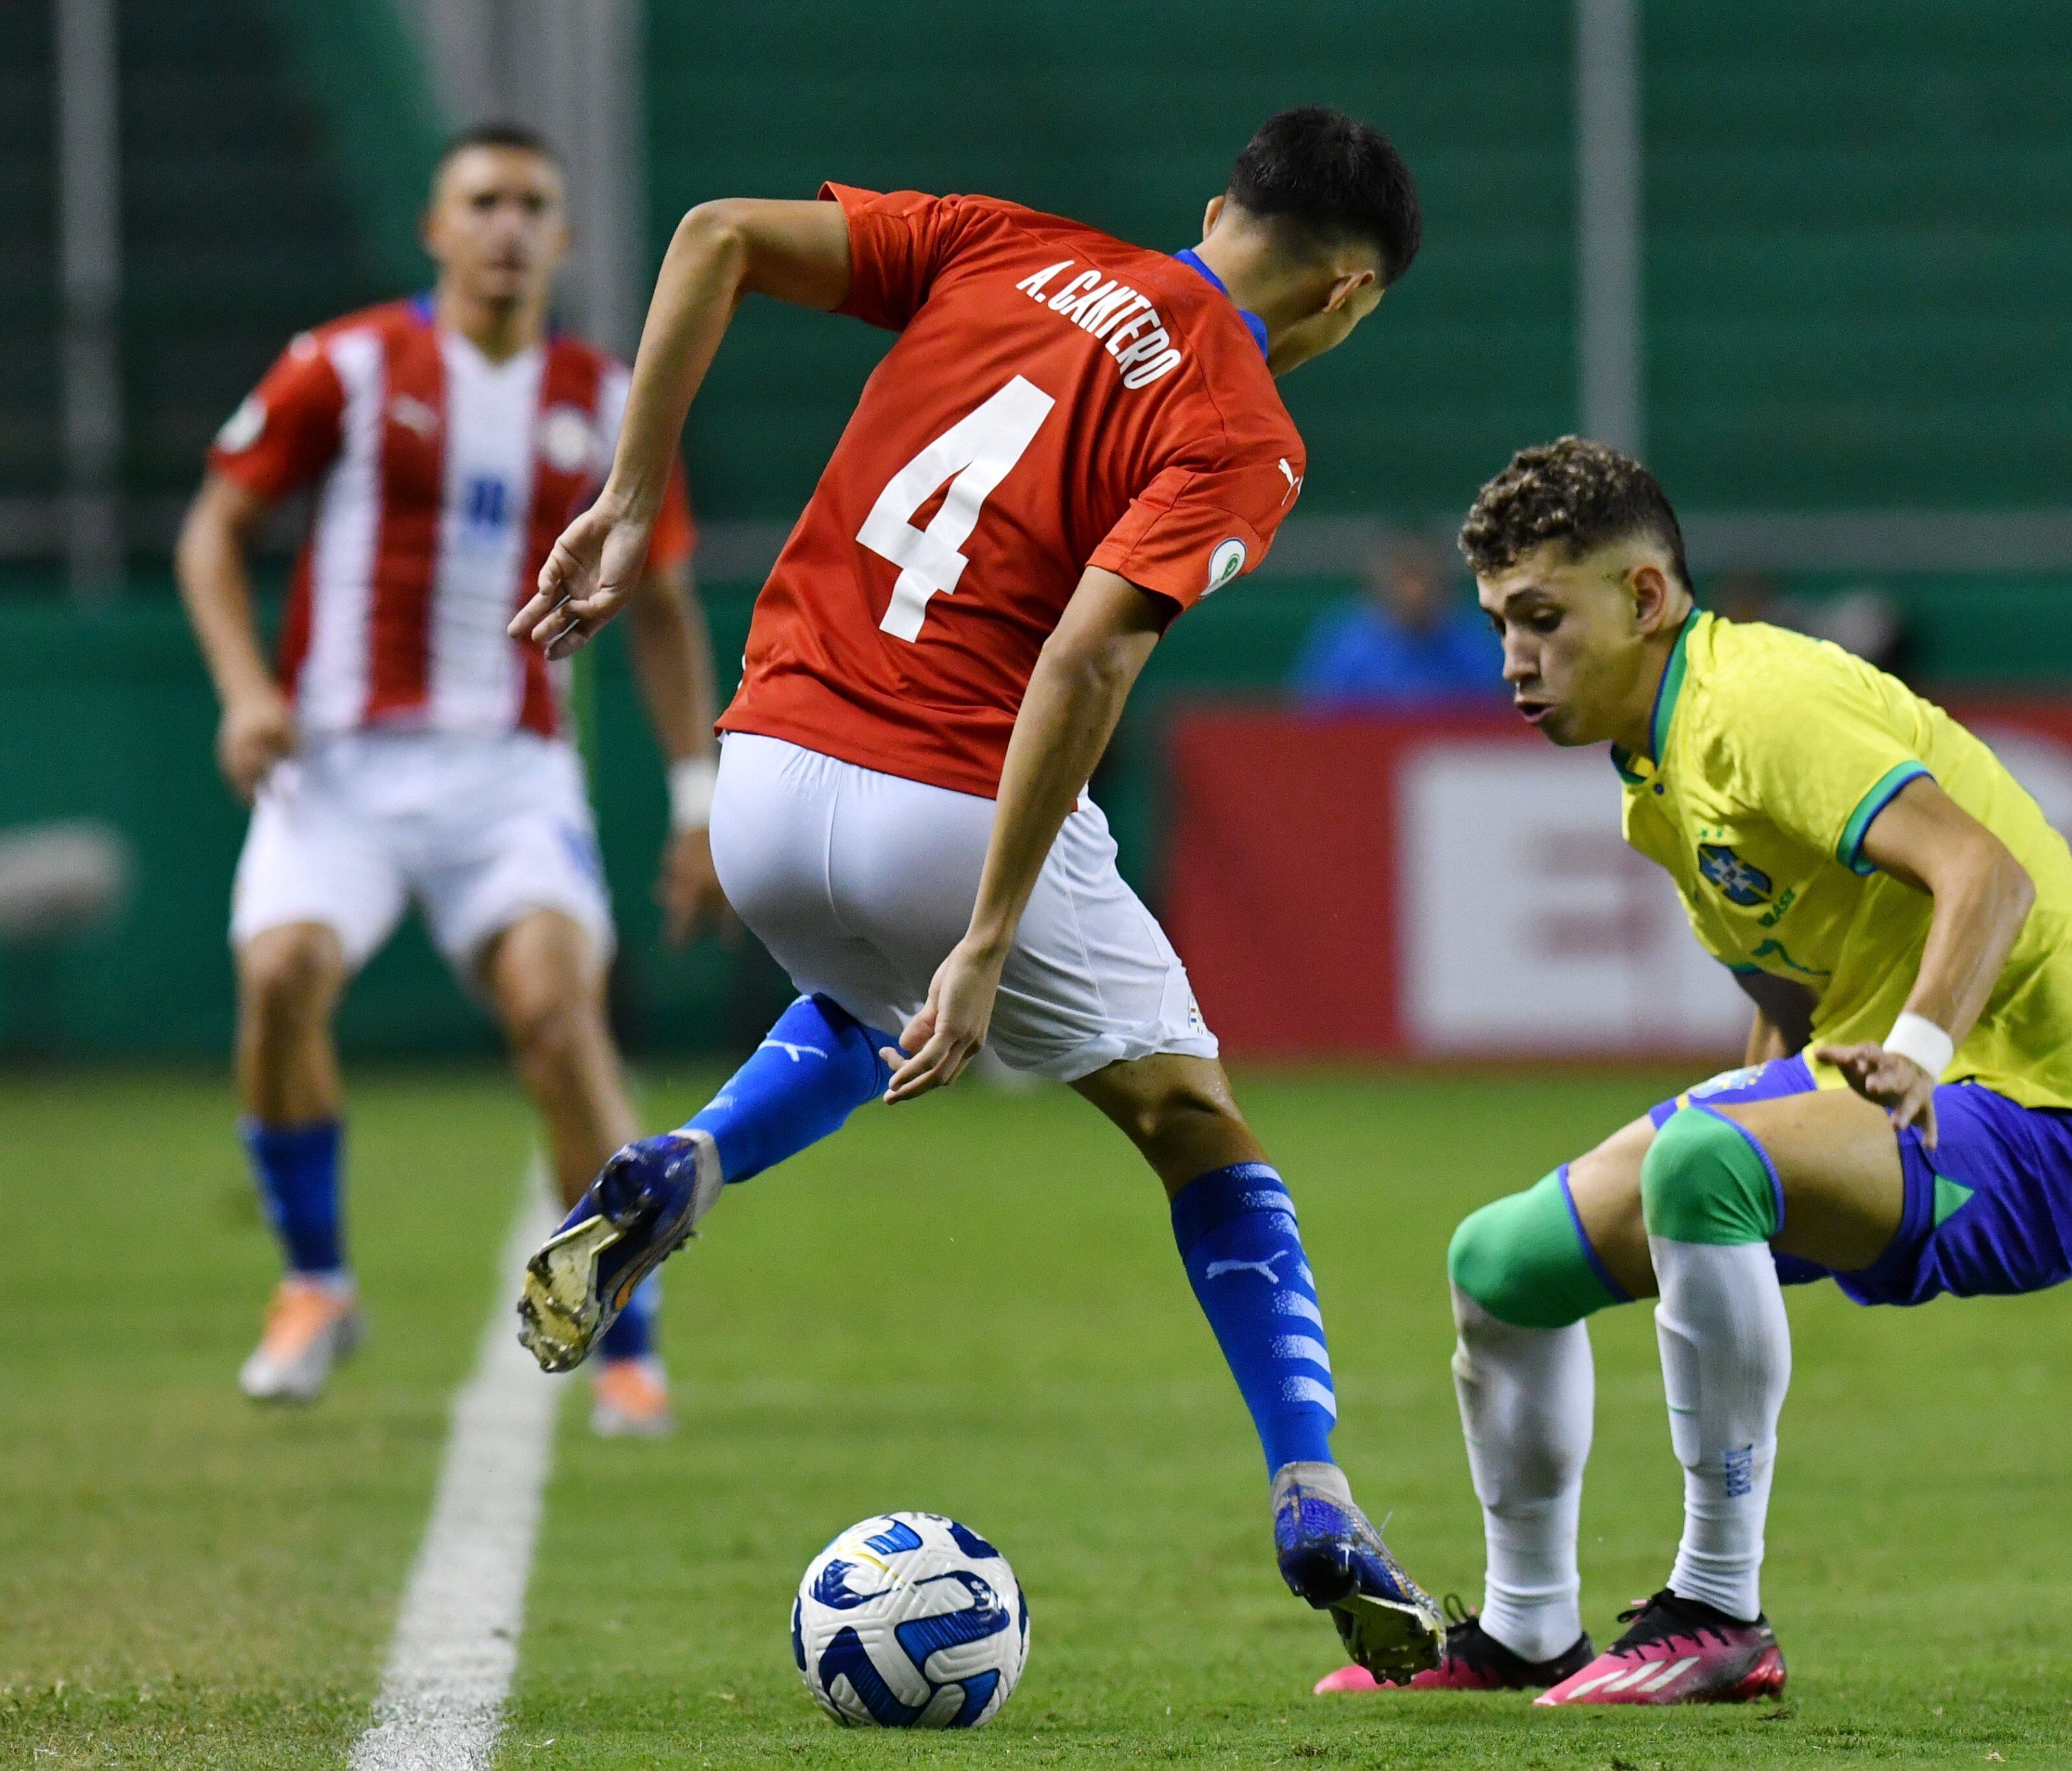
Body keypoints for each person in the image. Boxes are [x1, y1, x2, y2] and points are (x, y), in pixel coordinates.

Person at [500, 108, 1446, 1682]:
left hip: (765, 781)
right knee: (1194, 1126)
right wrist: (994, 934)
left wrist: (624, 494)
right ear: (1348, 295)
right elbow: (1083, 654)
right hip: (946, 797)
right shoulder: (1244, 428)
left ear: (1215, 207)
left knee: (862, 1004)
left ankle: (688, 1157)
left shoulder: (1002, 241)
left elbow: (714, 236)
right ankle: (1315, 1492)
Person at [1317, 437, 2072, 1704]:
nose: (1512, 662)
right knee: (1500, 1264)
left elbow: (1987, 874)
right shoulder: (1650, 774)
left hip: (2037, 1121)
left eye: (1543, 619)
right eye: (1499, 625)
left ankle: (1718, 1609)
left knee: (1702, 1168)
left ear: (1646, 600)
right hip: (1871, 1090)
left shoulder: (1754, 704)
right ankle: (1524, 1628)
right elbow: (1787, 982)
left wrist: (1913, 1054)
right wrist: (1766, 1128)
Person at [175, 123, 726, 1436]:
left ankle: (624, 1325)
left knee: (557, 1017)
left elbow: (660, 605)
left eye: (533, 203)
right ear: (436, 227)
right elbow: (216, 529)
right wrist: (248, 693)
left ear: (564, 237)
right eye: (481, 201)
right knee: (279, 975)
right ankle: (315, 1285)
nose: (506, 225)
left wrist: (697, 801)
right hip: (340, 767)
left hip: (509, 774)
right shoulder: (348, 364)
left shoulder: (604, 400)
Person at [1290, 532, 1501, 708]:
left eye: (1422, 577)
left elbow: (1494, 721)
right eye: (1404, 579)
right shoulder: (1348, 649)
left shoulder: (1473, 644)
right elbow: (1317, 722)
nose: (1415, 592)